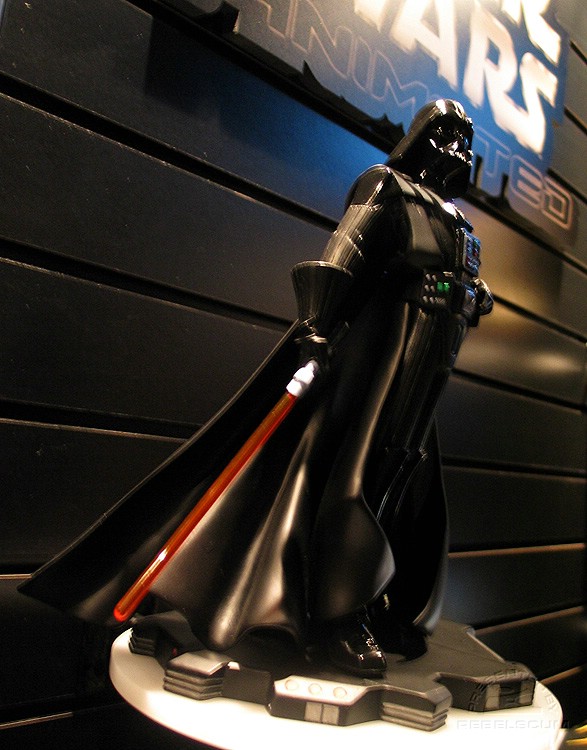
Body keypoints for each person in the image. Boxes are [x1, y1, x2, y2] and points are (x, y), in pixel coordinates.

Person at [21, 99, 492, 677]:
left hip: (427, 366)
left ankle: (374, 601)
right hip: (375, 366)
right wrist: (316, 331)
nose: (458, 150)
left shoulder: (455, 221)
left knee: (402, 477)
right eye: (446, 133)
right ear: (420, 138)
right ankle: (337, 616)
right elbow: (342, 257)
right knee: (355, 478)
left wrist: (472, 296)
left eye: (466, 138)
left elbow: (461, 284)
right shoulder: (387, 189)